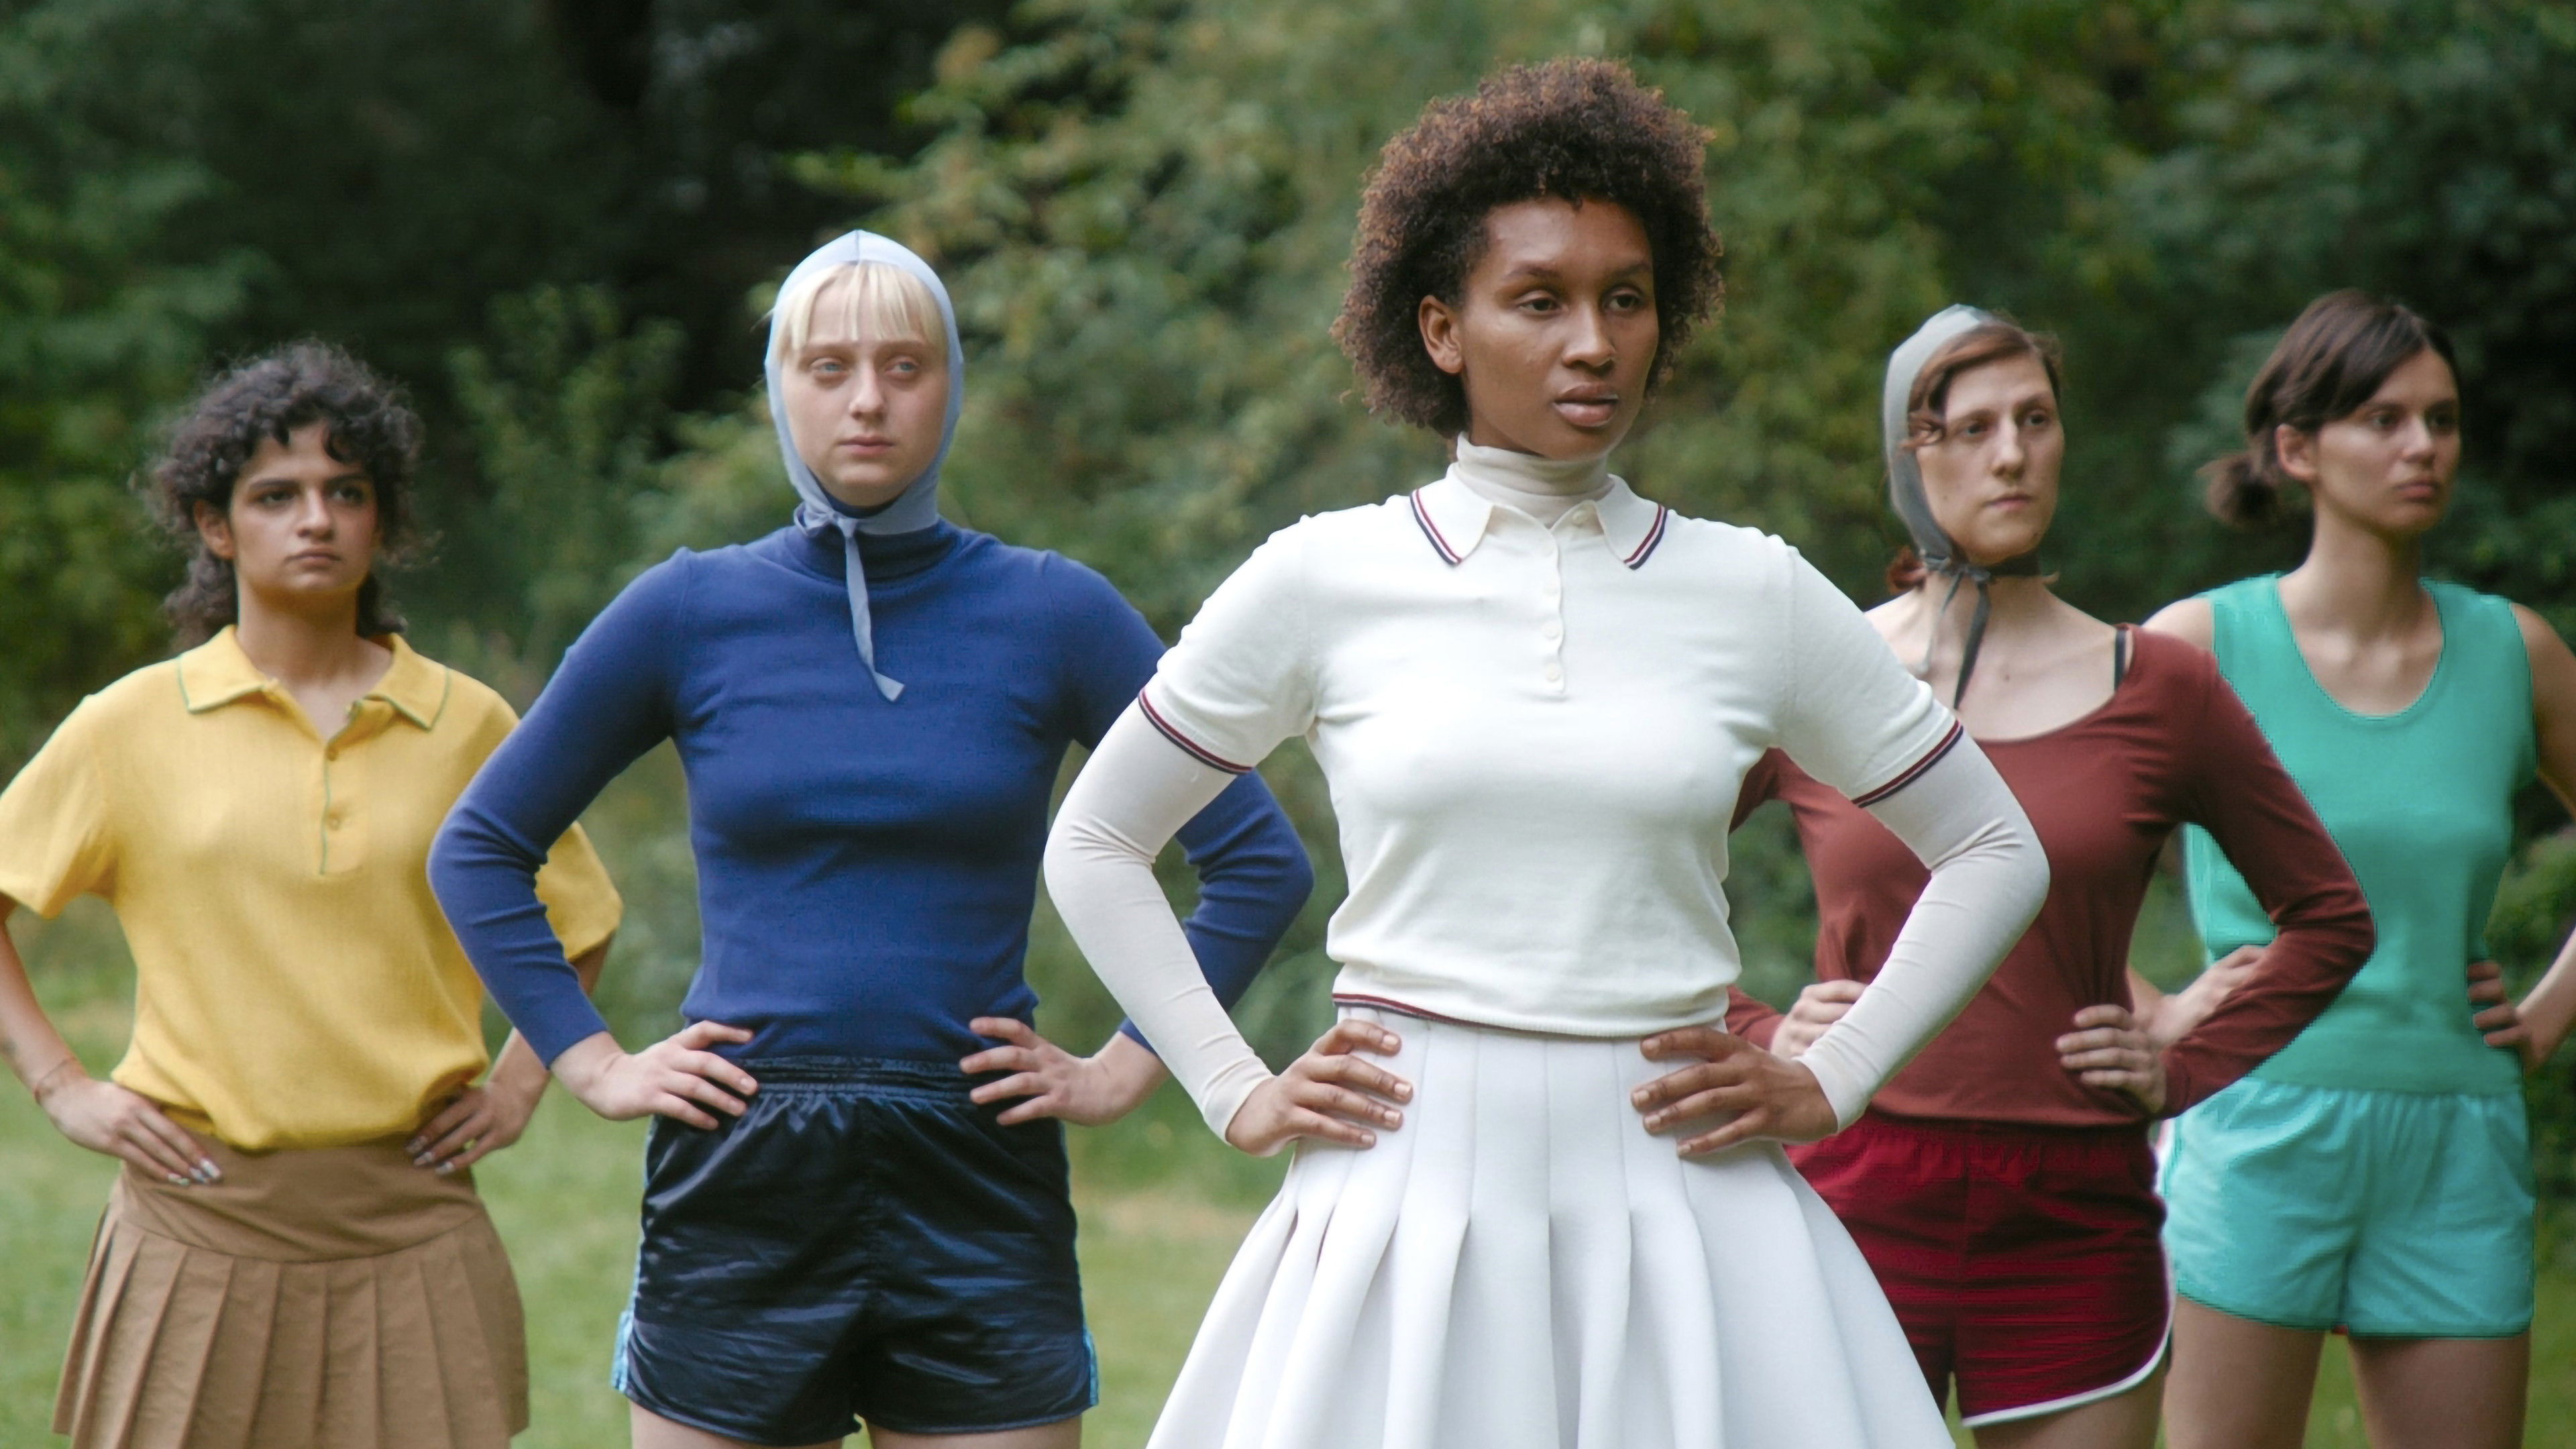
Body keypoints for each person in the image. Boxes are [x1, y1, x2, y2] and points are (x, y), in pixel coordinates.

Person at [1042, 60, 2051, 1449]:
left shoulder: (1751, 589)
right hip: (1404, 1189)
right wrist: (1234, 1087)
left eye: (1625, 298)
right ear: (1442, 330)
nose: (1594, 341)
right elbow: (1096, 842)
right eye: (1540, 301)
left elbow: (1996, 848)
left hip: (1690, 1195)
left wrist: (1837, 1072)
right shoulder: (1322, 576)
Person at [429, 231, 1312, 1449]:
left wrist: (1124, 1068)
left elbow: (1257, 863)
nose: (867, 400)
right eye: (828, 366)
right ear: (779, 388)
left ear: (951, 386)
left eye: (905, 365)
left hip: (975, 1165)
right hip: (743, 1167)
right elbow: (479, 847)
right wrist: (592, 1063)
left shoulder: (1053, 613)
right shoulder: (688, 611)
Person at [1715, 307, 2374, 1447]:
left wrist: (2181, 1062)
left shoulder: (2159, 685)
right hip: (1853, 1187)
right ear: (1908, 457)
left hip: (2075, 1213)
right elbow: (1633, 875)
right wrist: (1759, 1029)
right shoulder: (1818, 672)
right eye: (1971, 428)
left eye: (2035, 420)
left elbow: (2328, 919)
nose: (2012, 454)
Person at [0, 342, 624, 1449]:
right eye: (275, 496)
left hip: (413, 1225)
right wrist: (60, 1088)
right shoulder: (128, 727)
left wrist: (524, 1082)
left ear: (383, 521)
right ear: (214, 525)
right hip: (194, 1222)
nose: (317, 520)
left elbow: (581, 919)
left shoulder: (470, 725)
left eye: (348, 491)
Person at [2145, 290, 2576, 1449]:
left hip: (2457, 1139)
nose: (2422, 446)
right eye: (2384, 420)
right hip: (2254, 1128)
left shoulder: (2514, 652)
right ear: (2298, 450)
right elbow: (2047, 853)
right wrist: (2157, 1016)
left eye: (2441, 419)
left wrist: (2545, 1018)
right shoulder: (2200, 647)